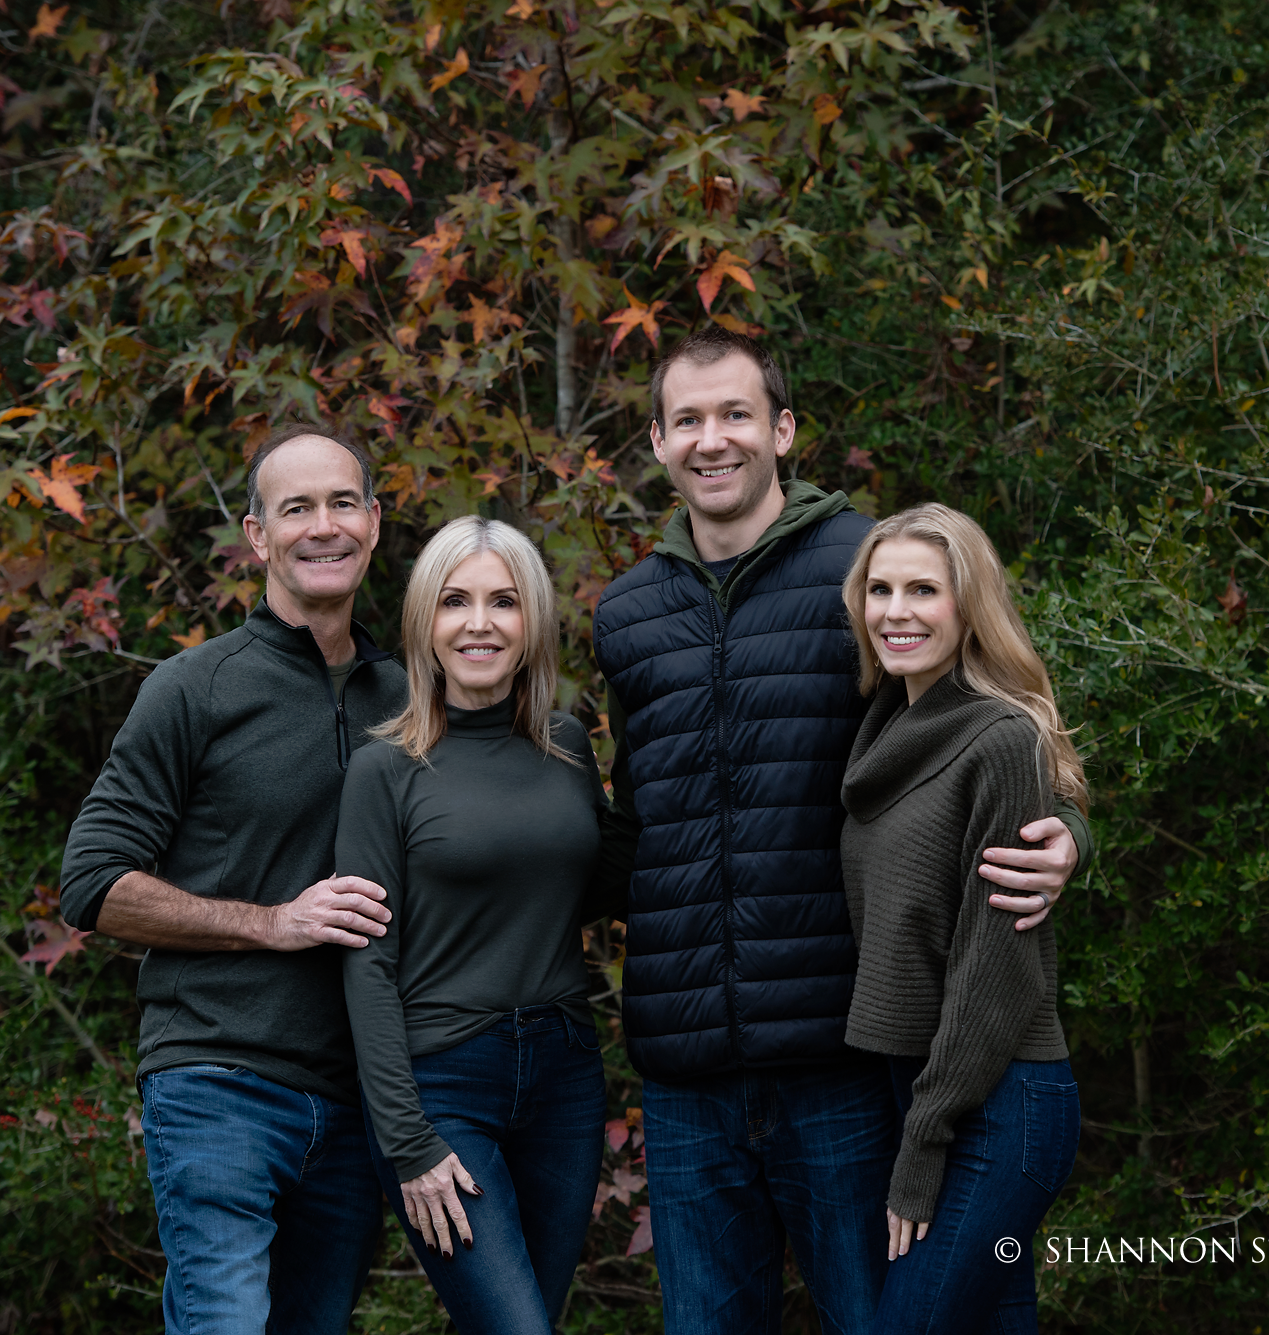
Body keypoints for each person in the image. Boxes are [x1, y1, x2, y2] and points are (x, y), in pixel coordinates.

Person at [589, 325, 1093, 1334]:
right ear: (657, 442)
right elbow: (634, 824)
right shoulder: (628, 612)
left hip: (843, 1059)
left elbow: (985, 715)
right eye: (687, 420)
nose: (712, 439)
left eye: (735, 414)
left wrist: (1072, 830)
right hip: (685, 1073)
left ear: (782, 429)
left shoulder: (863, 568)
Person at [58, 423, 405, 1334]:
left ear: (373, 523)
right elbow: (92, 881)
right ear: (258, 535)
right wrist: (273, 921)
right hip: (219, 1079)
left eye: (342, 503)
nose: (323, 526)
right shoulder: (194, 687)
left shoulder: (410, 701)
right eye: (296, 508)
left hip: (356, 1102)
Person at [338, 517, 610, 1335]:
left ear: (534, 621)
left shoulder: (568, 747)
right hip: (443, 1084)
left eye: (504, 601)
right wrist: (408, 1139)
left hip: (565, 1077)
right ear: (426, 620)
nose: (480, 623)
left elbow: (599, 886)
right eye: (455, 601)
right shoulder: (384, 768)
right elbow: (366, 965)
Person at [838, 503, 1084, 1334]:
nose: (895, 611)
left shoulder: (999, 738)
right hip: (930, 1087)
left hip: (999, 1102)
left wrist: (924, 1139)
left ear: (968, 605)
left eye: (923, 589)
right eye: (879, 589)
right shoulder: (887, 727)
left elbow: (994, 967)